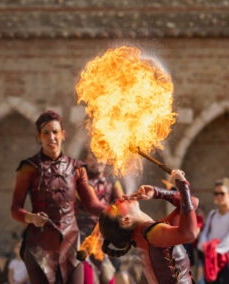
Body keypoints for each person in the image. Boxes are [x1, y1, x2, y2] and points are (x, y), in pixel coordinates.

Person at [11, 110, 106, 284]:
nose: (51, 137)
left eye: (55, 132)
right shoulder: (28, 168)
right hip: (39, 248)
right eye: (45, 133)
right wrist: (31, 218)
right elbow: (15, 209)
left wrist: (116, 209)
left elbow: (93, 205)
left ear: (63, 135)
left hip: (71, 245)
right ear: (39, 137)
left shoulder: (78, 168)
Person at [99, 169, 199, 284]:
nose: (120, 199)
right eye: (116, 206)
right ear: (126, 220)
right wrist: (182, 185)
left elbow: (193, 203)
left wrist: (158, 192)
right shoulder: (151, 233)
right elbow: (190, 233)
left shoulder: (146, 233)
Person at [75, 152, 123, 284]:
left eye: (100, 157)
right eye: (93, 158)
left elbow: (122, 203)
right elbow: (93, 204)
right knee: (89, 277)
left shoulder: (112, 182)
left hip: (101, 237)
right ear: (86, 160)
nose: (98, 161)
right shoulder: (81, 180)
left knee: (108, 276)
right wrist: (115, 211)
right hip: (81, 237)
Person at [197, 177, 229, 284]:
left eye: (222, 193)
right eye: (216, 193)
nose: (218, 196)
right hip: (210, 258)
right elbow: (204, 234)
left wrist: (215, 249)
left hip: (227, 256)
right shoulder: (213, 213)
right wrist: (205, 247)